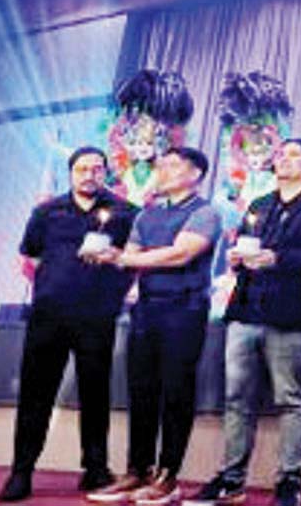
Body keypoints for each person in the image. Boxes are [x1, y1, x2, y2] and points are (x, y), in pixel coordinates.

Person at [190, 139, 301, 506]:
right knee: (236, 398)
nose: (284, 160)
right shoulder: (260, 204)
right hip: (246, 309)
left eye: (293, 155)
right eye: (280, 154)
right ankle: (231, 477)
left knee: (292, 399)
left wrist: (278, 258)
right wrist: (238, 258)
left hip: (290, 313)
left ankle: (290, 479)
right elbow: (247, 242)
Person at [0, 147, 138, 502]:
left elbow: (134, 258)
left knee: (95, 394)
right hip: (49, 316)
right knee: (36, 394)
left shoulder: (126, 213)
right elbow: (30, 254)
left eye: (96, 168)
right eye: (81, 169)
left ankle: (95, 469)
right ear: (71, 173)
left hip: (97, 316)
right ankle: (21, 471)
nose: (89, 174)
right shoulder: (46, 211)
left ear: (107, 172)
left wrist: (119, 286)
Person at [87, 146, 222, 506]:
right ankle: (137, 470)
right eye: (160, 164)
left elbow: (181, 253)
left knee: (176, 391)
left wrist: (123, 258)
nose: (161, 169)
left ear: (195, 173)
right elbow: (133, 252)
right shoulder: (146, 214)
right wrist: (108, 255)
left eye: (171, 164)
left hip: (184, 308)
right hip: (146, 309)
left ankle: (168, 476)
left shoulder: (205, 212)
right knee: (141, 389)